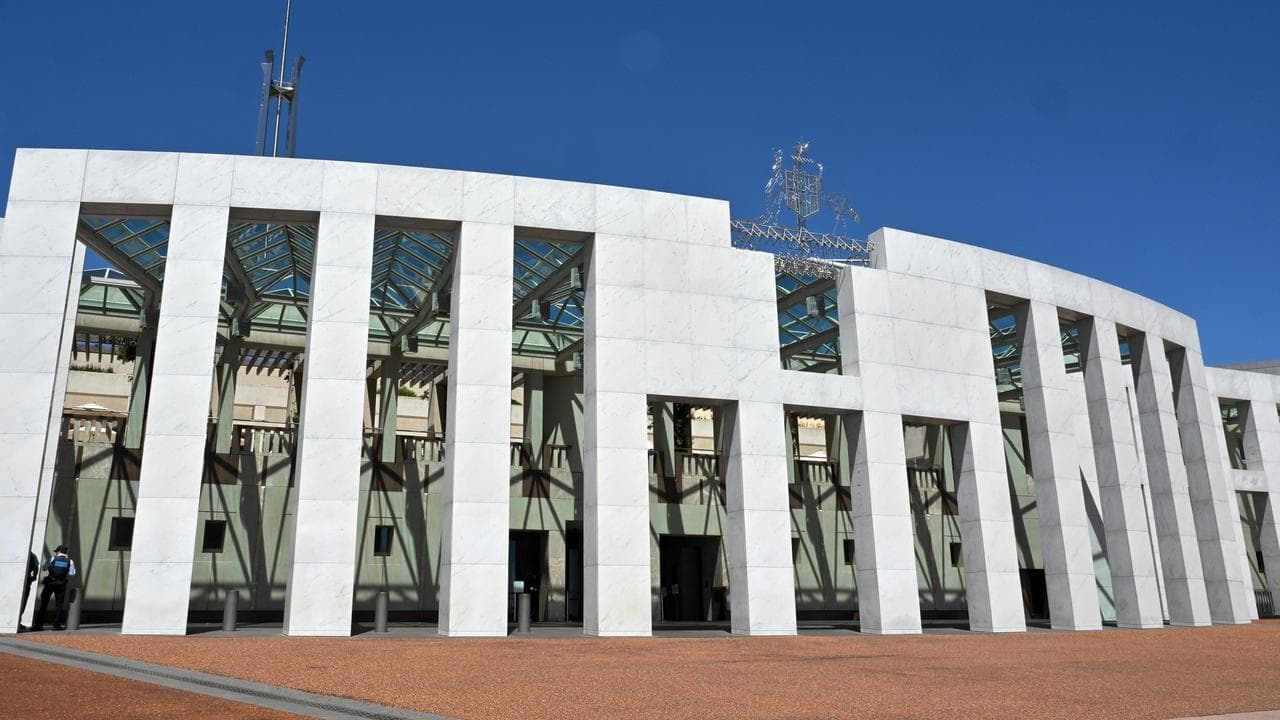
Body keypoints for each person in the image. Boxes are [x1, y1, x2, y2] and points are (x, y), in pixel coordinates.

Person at [33, 545, 75, 631]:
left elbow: (44, 568)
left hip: (50, 583)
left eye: (56, 551)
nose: (56, 553)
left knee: (44, 603)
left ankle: (39, 625)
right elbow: (72, 573)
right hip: (61, 584)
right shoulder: (70, 561)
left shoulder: (53, 558)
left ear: (59, 551)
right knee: (59, 604)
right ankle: (56, 625)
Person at [18, 552, 37, 631]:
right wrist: (34, 577)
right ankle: (18, 621)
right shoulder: (32, 555)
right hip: (27, 580)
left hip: (19, 579)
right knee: (23, 601)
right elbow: (36, 567)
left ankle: (17, 622)